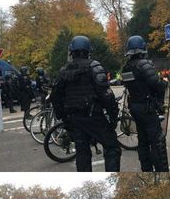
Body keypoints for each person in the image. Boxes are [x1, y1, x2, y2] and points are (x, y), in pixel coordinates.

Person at [50, 36, 121, 172]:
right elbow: (106, 95)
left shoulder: (63, 70)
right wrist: (113, 116)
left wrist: (64, 118)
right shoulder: (94, 66)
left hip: (74, 119)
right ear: (88, 50)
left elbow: (55, 97)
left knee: (82, 153)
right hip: (93, 117)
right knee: (112, 147)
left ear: (72, 51)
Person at [121, 36, 168, 171]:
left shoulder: (126, 68)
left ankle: (146, 167)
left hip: (135, 107)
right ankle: (161, 168)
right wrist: (163, 83)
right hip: (146, 107)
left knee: (143, 140)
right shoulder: (144, 64)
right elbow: (156, 84)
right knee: (157, 140)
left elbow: (129, 84)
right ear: (142, 49)